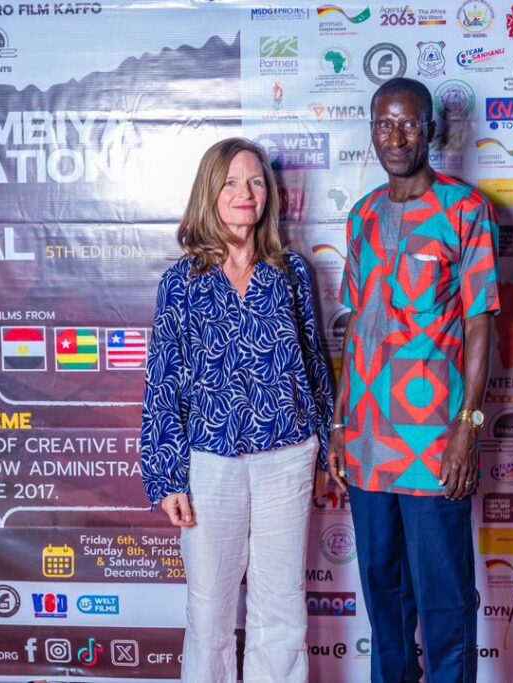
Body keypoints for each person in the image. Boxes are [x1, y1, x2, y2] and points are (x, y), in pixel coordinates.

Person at [140, 137, 333, 683]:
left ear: (269, 194)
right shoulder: (181, 282)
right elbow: (163, 380)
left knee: (282, 611)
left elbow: (315, 363)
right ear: (210, 192)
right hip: (211, 462)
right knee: (209, 614)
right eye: (230, 182)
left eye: (255, 181)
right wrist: (166, 476)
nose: (244, 192)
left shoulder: (292, 272)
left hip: (288, 456)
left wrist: (327, 450)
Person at [327, 77, 500, 683]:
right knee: (384, 594)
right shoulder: (363, 215)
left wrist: (468, 427)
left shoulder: (466, 210)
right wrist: (340, 422)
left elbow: (480, 323)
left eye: (407, 124)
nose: (395, 137)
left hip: (433, 441)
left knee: (444, 598)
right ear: (371, 131)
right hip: (368, 442)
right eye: (384, 124)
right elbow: (356, 323)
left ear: (431, 129)